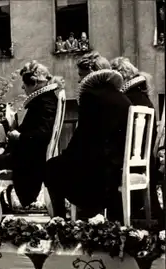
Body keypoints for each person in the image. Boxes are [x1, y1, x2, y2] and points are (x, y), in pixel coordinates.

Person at [45, 52, 132, 220]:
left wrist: (67, 155)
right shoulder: (123, 97)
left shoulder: (91, 96)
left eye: (80, 75)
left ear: (91, 71)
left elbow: (83, 135)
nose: (79, 80)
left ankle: (60, 221)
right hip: (117, 162)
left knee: (52, 167)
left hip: (102, 168)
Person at [0, 61, 62, 221]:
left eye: (24, 83)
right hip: (31, 155)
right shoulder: (47, 99)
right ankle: (3, 207)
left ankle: (2, 209)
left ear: (34, 83)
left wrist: (18, 136)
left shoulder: (45, 102)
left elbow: (42, 134)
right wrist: (14, 126)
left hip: (30, 159)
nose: (23, 88)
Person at [110, 57, 164, 225]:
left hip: (127, 166)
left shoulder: (127, 100)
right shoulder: (142, 98)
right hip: (144, 165)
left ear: (122, 77)